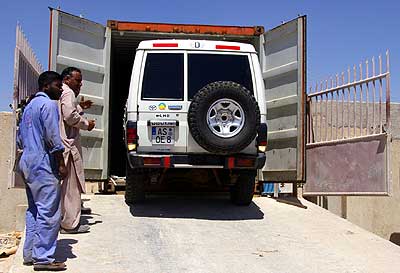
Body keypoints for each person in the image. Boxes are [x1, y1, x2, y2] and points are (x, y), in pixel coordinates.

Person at [18, 71, 67, 271]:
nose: (61, 88)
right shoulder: (48, 105)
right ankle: (44, 258)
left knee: (34, 210)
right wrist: (61, 163)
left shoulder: (29, 107)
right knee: (49, 212)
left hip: (27, 161)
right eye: (58, 85)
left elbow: (20, 139)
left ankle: (30, 253)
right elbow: (53, 138)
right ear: (46, 86)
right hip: (42, 163)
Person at [59, 67, 95, 234]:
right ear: (67, 79)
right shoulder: (67, 93)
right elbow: (69, 116)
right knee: (71, 186)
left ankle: (71, 216)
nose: (80, 84)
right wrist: (87, 125)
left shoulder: (64, 93)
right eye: (78, 80)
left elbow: (69, 111)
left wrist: (80, 106)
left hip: (65, 144)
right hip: (68, 145)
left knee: (68, 186)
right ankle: (70, 224)